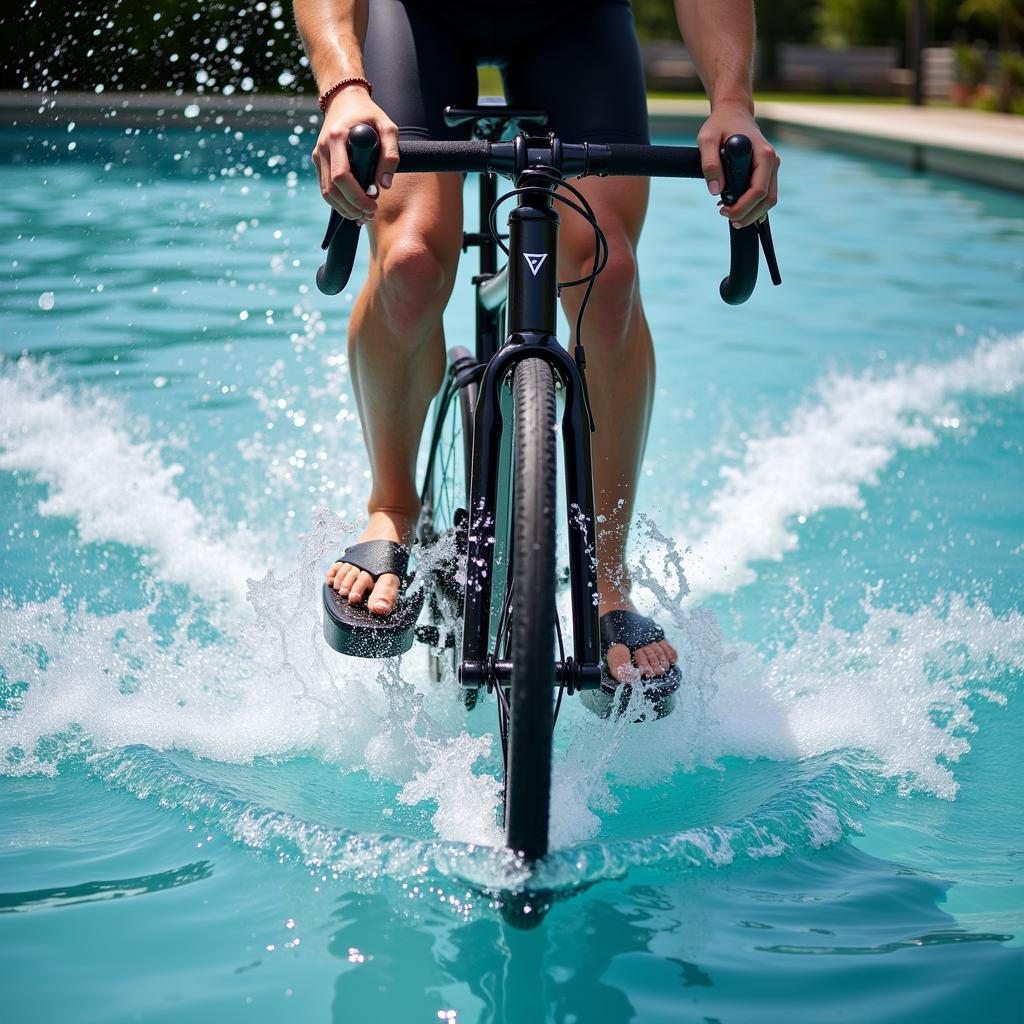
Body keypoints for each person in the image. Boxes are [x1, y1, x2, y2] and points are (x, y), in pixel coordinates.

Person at [294, 0, 779, 688]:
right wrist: (345, 90)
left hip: (574, 18)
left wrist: (732, 103)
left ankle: (609, 579)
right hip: (414, 16)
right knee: (407, 262)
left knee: (607, 277)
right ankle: (393, 509)